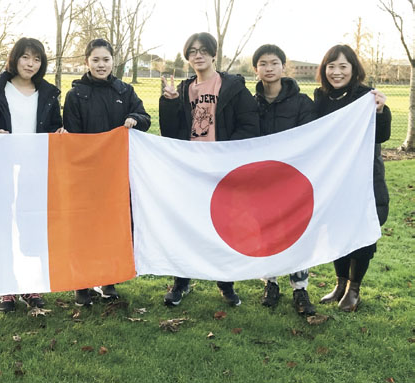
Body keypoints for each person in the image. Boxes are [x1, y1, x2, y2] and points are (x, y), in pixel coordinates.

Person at [159, 32, 259, 307]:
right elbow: (171, 133)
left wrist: (225, 154)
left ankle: (225, 282)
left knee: (223, 225)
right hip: (191, 170)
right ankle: (182, 281)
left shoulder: (233, 87)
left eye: (203, 50)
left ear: (214, 54)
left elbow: (249, 125)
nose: (198, 55)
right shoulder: (183, 90)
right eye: (192, 51)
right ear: (187, 57)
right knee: (187, 225)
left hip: (223, 170)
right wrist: (168, 102)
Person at [63, 38, 150, 306]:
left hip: (116, 174)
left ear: (113, 61)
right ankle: (81, 284)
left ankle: (108, 281)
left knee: (112, 227)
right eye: (96, 60)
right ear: (87, 62)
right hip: (86, 176)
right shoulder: (75, 95)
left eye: (106, 60)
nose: (101, 65)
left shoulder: (125, 91)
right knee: (84, 229)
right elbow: (73, 138)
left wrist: (136, 119)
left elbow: (145, 118)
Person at [0, 37, 62, 313]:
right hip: (1, 169)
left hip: (35, 169)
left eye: (37, 59)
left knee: (31, 227)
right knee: (4, 226)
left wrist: (58, 133)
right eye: (25, 57)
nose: (31, 63)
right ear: (15, 58)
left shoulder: (50, 93)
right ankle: (6, 288)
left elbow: (54, 126)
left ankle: (31, 287)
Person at [314, 44, 391, 312]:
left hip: (363, 179)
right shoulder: (321, 98)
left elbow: (381, 136)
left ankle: (353, 289)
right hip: (333, 180)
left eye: (342, 66)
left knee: (362, 232)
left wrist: (380, 111)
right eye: (331, 66)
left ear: (353, 69)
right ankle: (340, 284)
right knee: (336, 231)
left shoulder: (367, 97)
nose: (336, 72)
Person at [251, 44, 317, 316]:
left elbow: (311, 137)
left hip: (292, 182)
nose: (269, 68)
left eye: (274, 62)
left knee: (296, 233)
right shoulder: (250, 102)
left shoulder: (302, 103)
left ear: (283, 67)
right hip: (261, 182)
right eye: (263, 63)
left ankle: (300, 287)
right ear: (256, 69)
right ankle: (271, 283)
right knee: (266, 232)